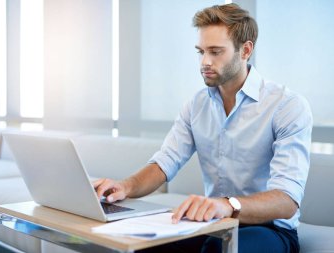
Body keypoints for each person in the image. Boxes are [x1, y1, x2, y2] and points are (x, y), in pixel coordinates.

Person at [93, 3, 312, 253]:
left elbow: (286, 201)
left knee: (217, 249)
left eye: (216, 52)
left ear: (245, 50)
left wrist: (226, 204)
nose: (205, 62)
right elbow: (165, 161)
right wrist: (125, 186)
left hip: (270, 229)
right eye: (201, 51)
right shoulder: (196, 105)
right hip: (214, 222)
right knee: (143, 247)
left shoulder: (287, 106)